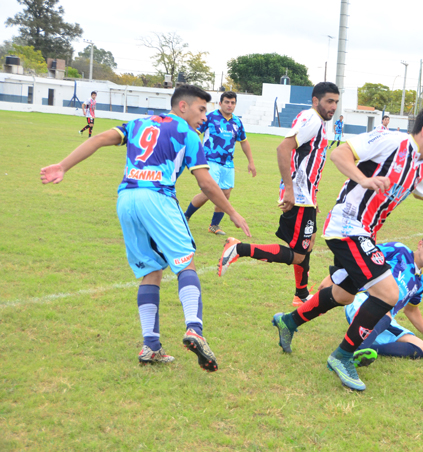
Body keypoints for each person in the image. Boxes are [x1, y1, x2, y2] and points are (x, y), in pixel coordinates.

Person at [268, 106, 423, 391]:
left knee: (344, 295)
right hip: (347, 226)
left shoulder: (418, 164)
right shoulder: (392, 141)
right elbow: (339, 154)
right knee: (389, 293)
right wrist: (364, 179)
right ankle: (342, 356)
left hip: (364, 232)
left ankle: (288, 322)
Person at [40, 85, 252, 370]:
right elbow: (205, 183)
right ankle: (194, 329)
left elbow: (101, 138)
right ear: (182, 107)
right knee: (185, 263)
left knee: (151, 269)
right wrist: (233, 212)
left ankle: (151, 346)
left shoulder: (137, 124)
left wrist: (63, 166)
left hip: (126, 199)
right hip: (158, 197)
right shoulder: (188, 135)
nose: (205, 116)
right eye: (201, 109)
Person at [218, 82, 340, 306]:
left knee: (308, 244)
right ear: (316, 101)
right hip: (299, 197)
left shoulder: (317, 121)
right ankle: (238, 248)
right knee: (299, 254)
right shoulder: (312, 119)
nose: (333, 106)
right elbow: (283, 149)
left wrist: (312, 197)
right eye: (329, 101)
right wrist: (291, 190)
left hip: (306, 197)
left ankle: (301, 294)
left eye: (336, 102)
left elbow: (307, 160)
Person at [316, 232, 423, 366]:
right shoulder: (399, 250)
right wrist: (331, 278)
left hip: (385, 321)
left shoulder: (420, 282)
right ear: (420, 244)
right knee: (384, 306)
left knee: (421, 348)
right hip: (364, 302)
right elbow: (360, 257)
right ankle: (348, 354)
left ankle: (368, 351)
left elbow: (411, 311)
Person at [183, 91, 256, 235]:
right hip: (210, 161)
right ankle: (185, 216)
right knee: (207, 193)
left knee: (225, 194)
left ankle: (214, 225)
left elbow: (244, 141)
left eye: (233, 102)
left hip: (228, 163)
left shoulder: (237, 122)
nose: (230, 105)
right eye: (227, 102)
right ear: (220, 103)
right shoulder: (210, 117)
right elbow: (194, 133)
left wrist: (251, 162)